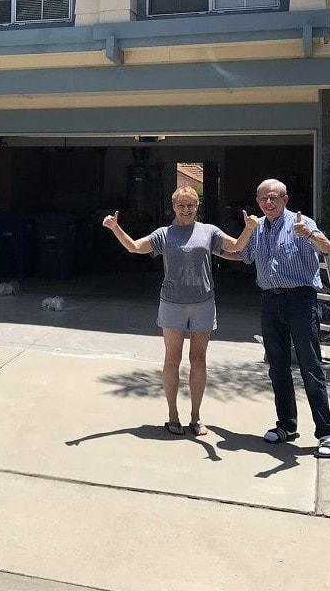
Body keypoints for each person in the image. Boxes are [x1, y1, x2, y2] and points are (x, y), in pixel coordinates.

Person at [102, 187, 256, 437]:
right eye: (181, 206)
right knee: (172, 360)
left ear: (198, 207)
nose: (186, 210)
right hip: (172, 304)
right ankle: (173, 414)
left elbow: (237, 246)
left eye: (191, 205)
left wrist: (249, 228)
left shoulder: (209, 232)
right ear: (173, 208)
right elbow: (135, 248)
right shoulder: (165, 234)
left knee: (198, 359)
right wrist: (115, 228)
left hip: (203, 303)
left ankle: (195, 417)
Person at [234, 178, 330, 459]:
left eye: (274, 198)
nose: (268, 203)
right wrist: (247, 230)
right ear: (257, 201)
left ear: (285, 200)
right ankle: (286, 426)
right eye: (263, 199)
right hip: (271, 301)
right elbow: (243, 255)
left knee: (310, 367)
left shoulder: (300, 222)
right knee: (278, 368)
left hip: (301, 301)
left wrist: (308, 234)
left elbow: (328, 248)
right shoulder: (257, 228)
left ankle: (327, 433)